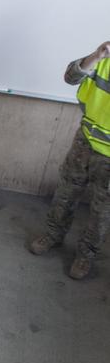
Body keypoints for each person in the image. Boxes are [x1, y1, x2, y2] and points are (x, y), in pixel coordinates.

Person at [28, 40, 110, 279]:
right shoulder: (103, 60)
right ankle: (52, 235)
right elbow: (71, 78)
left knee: (102, 212)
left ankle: (86, 256)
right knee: (66, 193)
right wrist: (96, 55)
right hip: (84, 142)